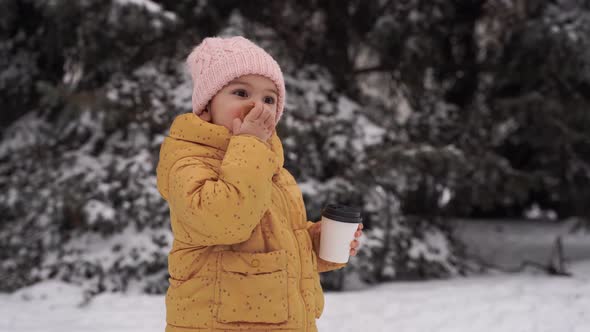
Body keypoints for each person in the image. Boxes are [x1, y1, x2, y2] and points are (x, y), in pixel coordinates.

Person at [156, 35, 363, 332]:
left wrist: (318, 242)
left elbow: (276, 243)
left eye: (269, 99)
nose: (257, 105)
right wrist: (250, 144)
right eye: (241, 92)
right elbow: (225, 221)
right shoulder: (188, 160)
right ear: (207, 105)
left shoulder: (271, 169)